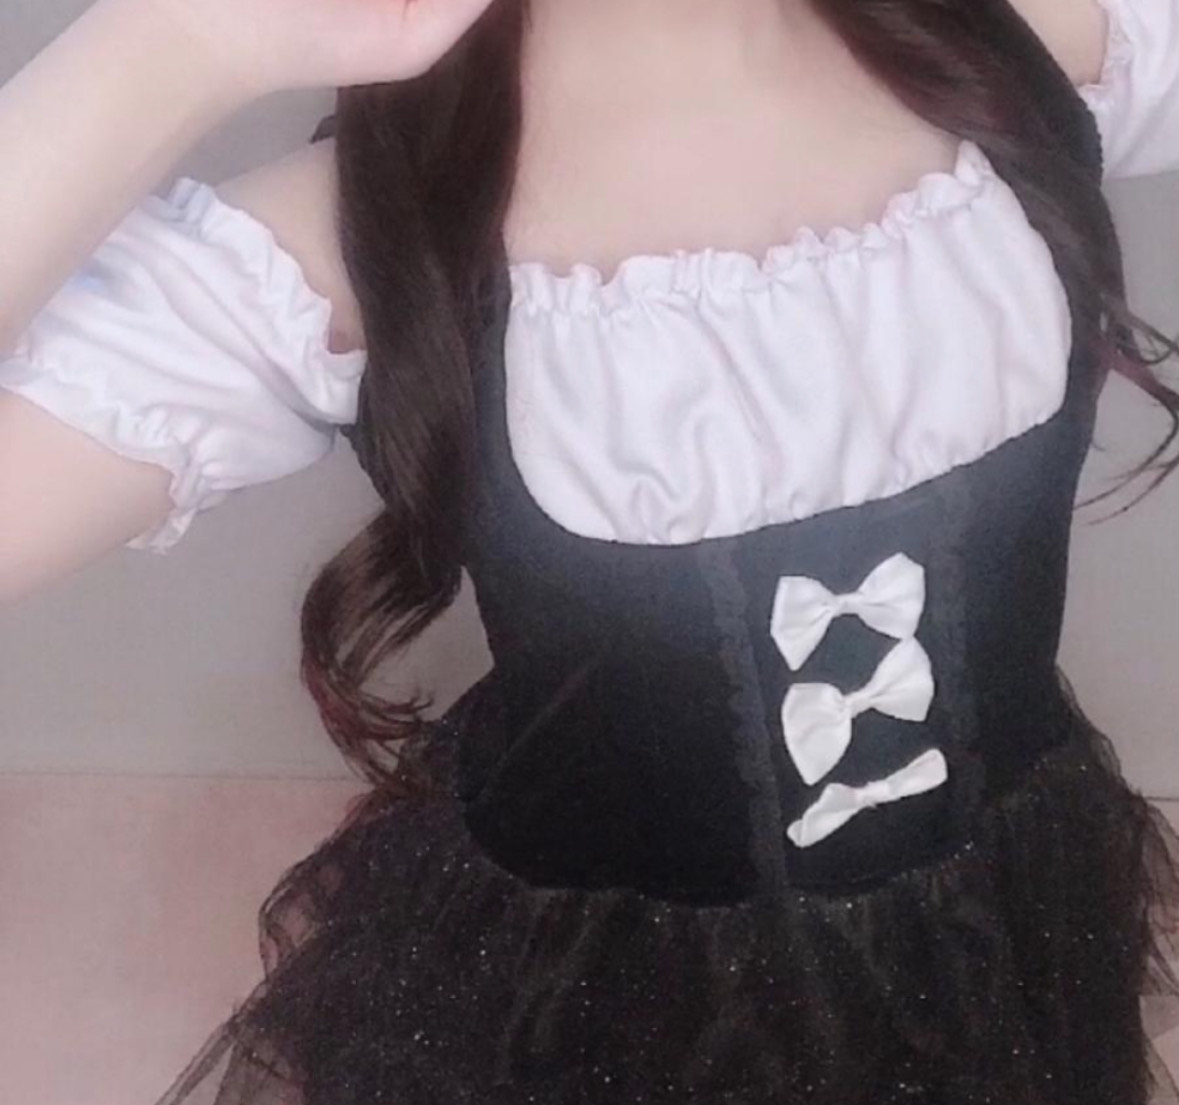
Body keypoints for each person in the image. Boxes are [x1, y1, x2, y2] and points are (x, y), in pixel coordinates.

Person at [4, 0, 1179, 1100]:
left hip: (1012, 923)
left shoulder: (1027, 48)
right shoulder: (343, 245)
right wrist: (177, 42)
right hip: (589, 1003)